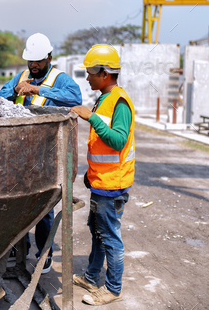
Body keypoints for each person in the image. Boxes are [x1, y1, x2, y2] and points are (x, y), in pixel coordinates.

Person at [0, 33, 82, 274]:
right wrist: (15, 89)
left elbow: (75, 98)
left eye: (38, 61)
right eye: (30, 62)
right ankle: (19, 246)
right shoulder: (20, 77)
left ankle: (44, 252)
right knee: (16, 204)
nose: (33, 66)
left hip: (47, 153)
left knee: (44, 207)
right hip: (20, 152)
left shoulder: (59, 78)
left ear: (49, 58)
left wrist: (37, 88)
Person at [69, 44, 135, 306]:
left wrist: (91, 118)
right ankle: (91, 275)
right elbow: (100, 145)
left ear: (104, 73)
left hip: (112, 185)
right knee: (97, 231)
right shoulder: (104, 97)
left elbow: (118, 141)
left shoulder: (119, 101)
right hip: (101, 181)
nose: (87, 78)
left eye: (90, 73)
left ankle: (113, 289)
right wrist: (90, 173)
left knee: (110, 237)